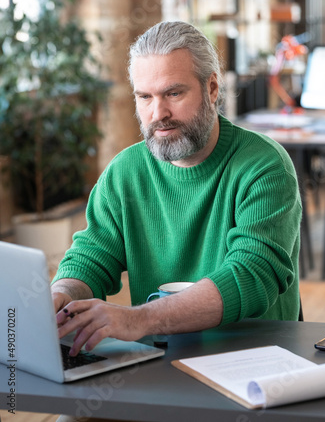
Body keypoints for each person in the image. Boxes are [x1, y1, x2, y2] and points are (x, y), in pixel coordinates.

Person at [52, 20, 302, 360]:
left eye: (173, 93)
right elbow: (91, 258)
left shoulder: (265, 166)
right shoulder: (125, 172)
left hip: (254, 364)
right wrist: (63, 296)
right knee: (69, 416)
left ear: (212, 89)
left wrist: (139, 319)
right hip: (160, 360)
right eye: (145, 97)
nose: (159, 114)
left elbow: (250, 276)